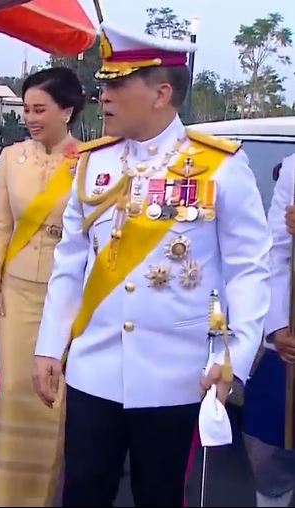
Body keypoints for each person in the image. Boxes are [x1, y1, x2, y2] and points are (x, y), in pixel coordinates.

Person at [32, 24, 270, 507]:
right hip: (94, 368)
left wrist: (233, 360)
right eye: (103, 84)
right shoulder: (92, 164)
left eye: (118, 84)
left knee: (159, 495)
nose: (103, 96)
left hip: (175, 374)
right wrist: (50, 345)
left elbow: (248, 269)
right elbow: (70, 262)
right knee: (83, 492)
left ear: (162, 92)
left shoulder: (219, 166)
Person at [0, 67, 84, 507]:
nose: (30, 117)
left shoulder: (92, 160)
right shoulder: (11, 157)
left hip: (68, 297)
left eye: (40, 109)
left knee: (52, 400)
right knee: (14, 395)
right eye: (26, 109)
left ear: (68, 110)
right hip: (18, 290)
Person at [243, 152, 295, 508]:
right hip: (288, 343)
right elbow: (275, 251)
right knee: (269, 450)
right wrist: (278, 324)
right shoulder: (292, 168)